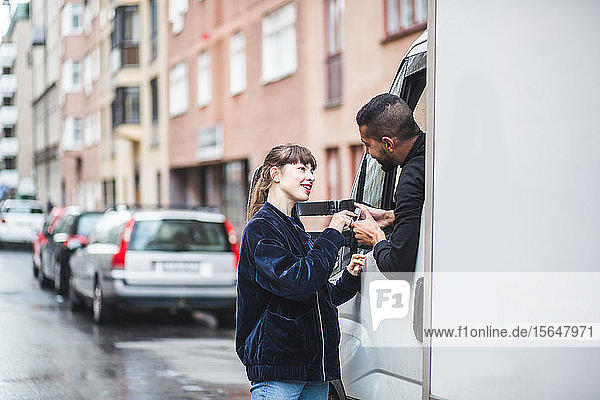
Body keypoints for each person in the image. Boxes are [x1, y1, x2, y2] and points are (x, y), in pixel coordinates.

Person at [236, 144, 365, 400]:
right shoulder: (261, 229)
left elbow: (319, 295)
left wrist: (349, 276)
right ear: (276, 174)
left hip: (314, 370)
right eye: (302, 168)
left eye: (313, 170)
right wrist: (333, 231)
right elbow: (298, 284)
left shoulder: (295, 229)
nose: (311, 176)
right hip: (279, 372)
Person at [352, 93, 425, 279]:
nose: (368, 153)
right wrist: (392, 216)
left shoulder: (411, 179)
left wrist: (375, 236)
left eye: (367, 145)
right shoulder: (434, 152)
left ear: (388, 144)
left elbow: (398, 270)